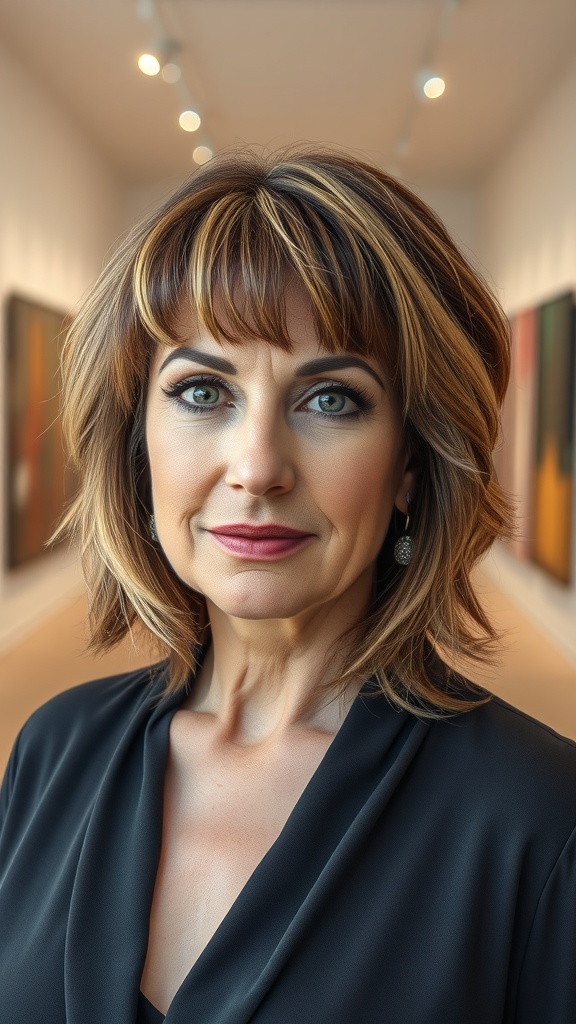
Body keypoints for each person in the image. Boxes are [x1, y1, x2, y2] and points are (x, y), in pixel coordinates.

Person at [1, 149, 575, 1024]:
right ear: (136, 442)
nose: (259, 467)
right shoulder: (53, 750)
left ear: (412, 463)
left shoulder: (537, 816)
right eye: (201, 391)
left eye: (331, 401)